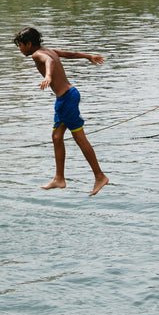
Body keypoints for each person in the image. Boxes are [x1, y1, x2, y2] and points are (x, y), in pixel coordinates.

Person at [13, 26, 109, 196]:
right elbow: (69, 54)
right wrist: (88, 56)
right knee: (57, 137)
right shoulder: (48, 50)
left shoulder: (38, 54)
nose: (20, 49)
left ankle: (99, 176)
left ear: (28, 44)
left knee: (80, 138)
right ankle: (59, 178)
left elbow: (48, 62)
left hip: (67, 99)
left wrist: (48, 76)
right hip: (65, 98)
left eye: (20, 45)